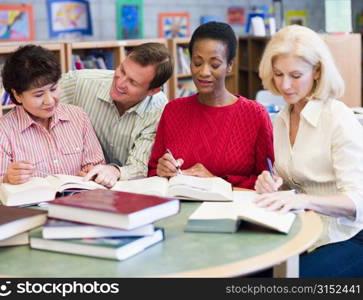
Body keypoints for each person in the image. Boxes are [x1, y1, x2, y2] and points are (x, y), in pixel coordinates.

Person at [255, 25, 363, 277]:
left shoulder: (338, 118)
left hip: (348, 235)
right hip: (302, 229)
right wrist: (271, 186)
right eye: (279, 74)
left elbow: (358, 201)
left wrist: (302, 200)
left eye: (295, 75)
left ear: (316, 71)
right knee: (246, 273)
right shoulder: (280, 120)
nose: (285, 85)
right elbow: (293, 186)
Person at [148, 22, 274, 188]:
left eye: (214, 65)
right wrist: (162, 170)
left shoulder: (255, 115)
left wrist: (216, 182)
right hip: (181, 207)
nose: (204, 72)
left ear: (230, 65)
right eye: (197, 63)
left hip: (234, 208)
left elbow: (266, 180)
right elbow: (152, 171)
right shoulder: (173, 110)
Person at [0, 45, 105, 194]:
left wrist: (93, 173)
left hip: (80, 205)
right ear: (18, 95)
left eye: (53, 89)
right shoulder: (1, 132)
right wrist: (7, 180)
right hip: (33, 211)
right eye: (38, 95)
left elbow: (97, 165)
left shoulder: (78, 117)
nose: (49, 101)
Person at [59, 42, 173, 187]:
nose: (120, 83)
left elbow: (140, 166)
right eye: (122, 70)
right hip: (76, 180)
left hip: (126, 189)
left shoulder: (159, 110)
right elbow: (33, 101)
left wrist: (114, 171)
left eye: (133, 82)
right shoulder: (79, 83)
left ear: (152, 91)